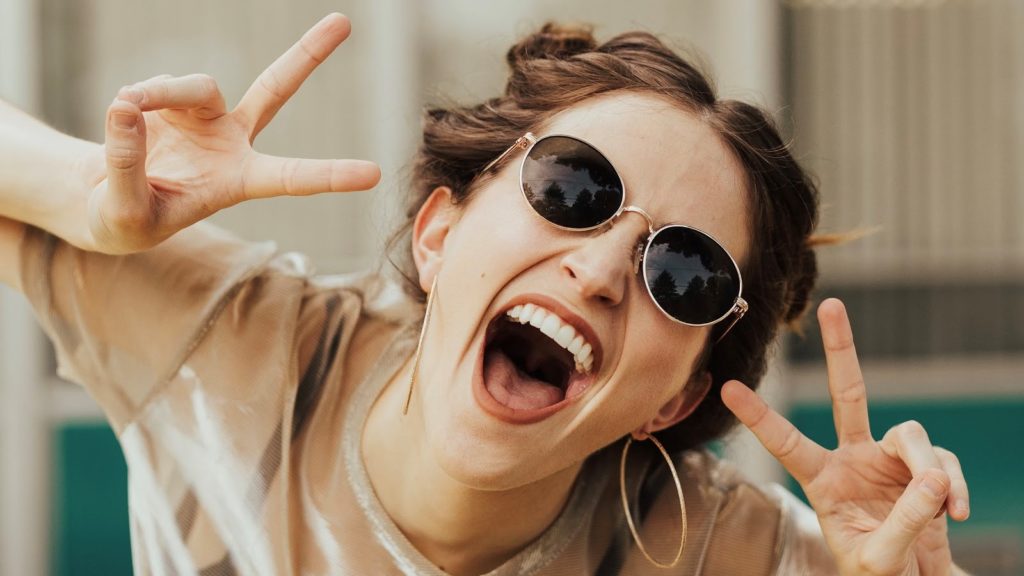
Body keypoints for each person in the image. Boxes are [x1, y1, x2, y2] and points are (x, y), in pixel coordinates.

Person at [0, 13, 971, 576]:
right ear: (439, 230)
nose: (595, 273)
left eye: (682, 275)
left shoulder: (714, 549)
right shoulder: (234, 343)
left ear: (673, 401)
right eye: (572, 189)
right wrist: (82, 195)